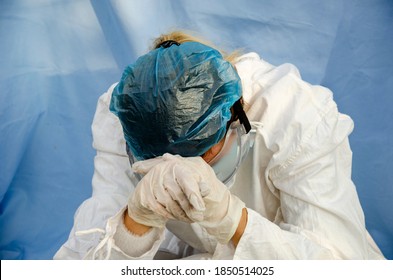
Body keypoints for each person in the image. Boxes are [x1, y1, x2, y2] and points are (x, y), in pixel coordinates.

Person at [54, 31, 385, 260]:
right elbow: (81, 262)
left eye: (204, 154)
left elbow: (340, 265)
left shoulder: (297, 117)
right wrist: (134, 221)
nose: (183, 172)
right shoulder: (125, 115)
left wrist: (233, 220)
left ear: (237, 117)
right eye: (161, 160)